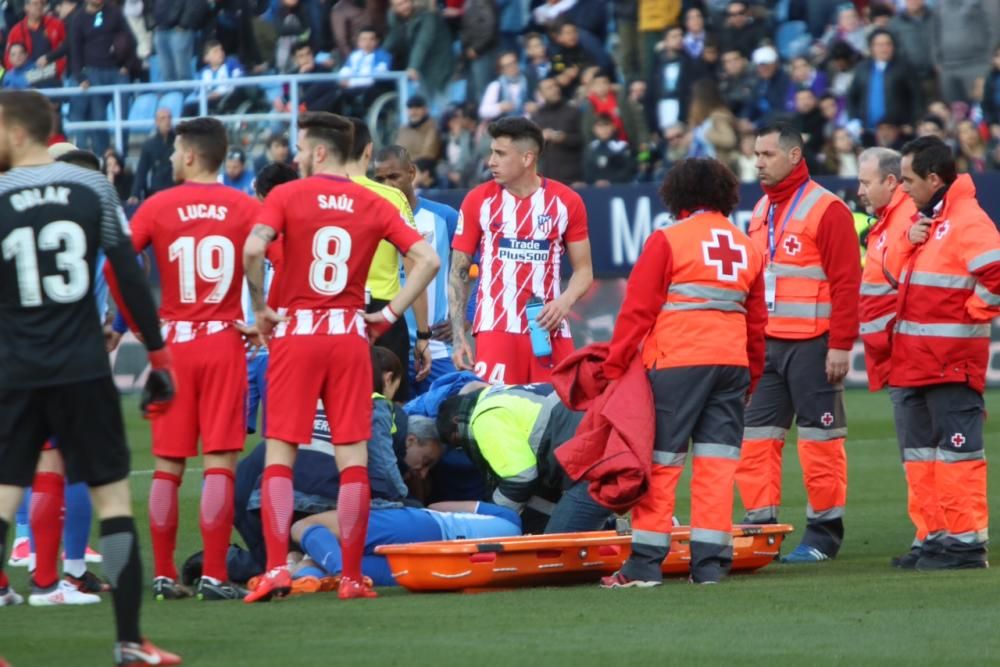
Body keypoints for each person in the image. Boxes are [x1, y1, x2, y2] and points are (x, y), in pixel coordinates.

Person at [0, 90, 179, 665]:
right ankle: (130, 642)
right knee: (114, 504)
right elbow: (128, 271)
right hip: (82, 368)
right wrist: (157, 356)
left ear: (16, 130)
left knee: (2, 501)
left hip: (16, 370)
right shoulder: (92, 187)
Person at [242, 111, 440, 602]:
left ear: (321, 151)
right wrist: (389, 313)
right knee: (353, 460)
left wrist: (263, 308)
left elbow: (252, 249)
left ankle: (274, 570)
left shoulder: (288, 194)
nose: (297, 155)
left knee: (281, 457)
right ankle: (351, 576)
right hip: (351, 335)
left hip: (299, 333)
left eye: (302, 148)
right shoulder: (371, 200)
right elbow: (428, 260)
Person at [597, 157, 766, 587]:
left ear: (678, 194)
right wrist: (753, 374)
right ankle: (710, 566)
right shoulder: (746, 245)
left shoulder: (668, 239)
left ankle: (644, 565)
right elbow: (757, 322)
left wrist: (614, 365)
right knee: (717, 462)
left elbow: (637, 310)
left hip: (677, 362)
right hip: (730, 364)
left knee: (662, 462)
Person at [127, 116, 261, 602]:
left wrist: (139, 327)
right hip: (224, 340)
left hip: (174, 345)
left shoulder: (156, 206)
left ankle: (163, 574)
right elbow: (278, 260)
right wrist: (263, 315)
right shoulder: (245, 206)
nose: (166, 160)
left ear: (188, 155)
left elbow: (117, 264)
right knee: (220, 462)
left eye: (172, 152)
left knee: (167, 465)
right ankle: (214, 575)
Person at [735, 123, 861, 564]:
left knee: (820, 442)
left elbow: (847, 283)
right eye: (755, 154)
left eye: (766, 154)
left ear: (793, 156)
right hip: (768, 344)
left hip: (813, 343)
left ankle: (824, 535)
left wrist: (841, 344)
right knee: (754, 440)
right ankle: (760, 530)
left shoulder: (827, 209)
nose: (757, 162)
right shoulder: (760, 211)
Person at [886, 136, 1000, 569]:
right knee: (923, 459)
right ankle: (936, 537)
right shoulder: (931, 219)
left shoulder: (967, 219)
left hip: (949, 362)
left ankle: (966, 545)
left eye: (909, 180)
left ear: (934, 179)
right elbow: (899, 280)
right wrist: (909, 242)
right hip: (918, 362)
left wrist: (975, 312)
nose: (903, 189)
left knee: (956, 457)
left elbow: (996, 272)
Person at [449, 116, 593, 385]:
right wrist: (459, 339)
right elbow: (458, 271)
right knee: (499, 415)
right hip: (497, 329)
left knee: (556, 416)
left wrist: (564, 302)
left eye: (500, 154)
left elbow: (584, 272)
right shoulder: (478, 200)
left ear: (527, 158)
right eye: (492, 152)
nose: (491, 161)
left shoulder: (566, 202)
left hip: (549, 330)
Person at [854, 146, 924, 567]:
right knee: (917, 453)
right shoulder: (889, 223)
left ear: (891, 182)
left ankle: (934, 533)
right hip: (900, 354)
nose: (860, 191)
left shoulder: (904, 222)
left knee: (920, 452)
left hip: (910, 353)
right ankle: (931, 532)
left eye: (866, 182)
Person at [436, 382, 611, 534]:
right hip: (601, 443)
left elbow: (520, 478)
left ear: (457, 420)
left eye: (458, 441)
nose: (463, 448)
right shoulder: (500, 394)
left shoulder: (482, 418)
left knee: (557, 550)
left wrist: (494, 517)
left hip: (592, 463)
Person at [344, 117, 431, 401]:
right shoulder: (390, 198)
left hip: (335, 311)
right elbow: (417, 264)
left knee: (336, 407)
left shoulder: (310, 195)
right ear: (368, 150)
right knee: (391, 409)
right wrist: (422, 334)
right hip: (384, 312)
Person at [374, 145, 459, 394]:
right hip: (387, 348)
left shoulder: (444, 217)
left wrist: (465, 319)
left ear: (411, 173)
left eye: (393, 176)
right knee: (392, 428)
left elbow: (482, 267)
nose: (387, 185)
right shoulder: (367, 218)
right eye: (379, 179)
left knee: (446, 424)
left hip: (437, 347)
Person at [289, 501, 521, 587]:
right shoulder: (507, 563)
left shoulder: (510, 519)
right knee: (333, 564)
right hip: (437, 566)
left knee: (304, 525)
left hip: (426, 525)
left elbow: (437, 506)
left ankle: (335, 571)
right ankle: (306, 572)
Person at [243, 161, 299, 436]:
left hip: (276, 338)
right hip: (254, 337)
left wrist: (263, 316)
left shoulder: (276, 236)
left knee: (279, 435)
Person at [530, 77, 584, 185]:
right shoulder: (537, 116)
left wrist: (564, 138)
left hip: (572, 176)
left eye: (556, 86)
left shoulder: (573, 111)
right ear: (541, 93)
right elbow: (530, 148)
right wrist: (540, 138)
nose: (555, 89)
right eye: (549, 88)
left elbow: (584, 139)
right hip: (546, 177)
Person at [3, 0, 66, 88]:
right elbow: (8, 58)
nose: (39, 6)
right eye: (35, 4)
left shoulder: (57, 25)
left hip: (51, 75)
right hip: (24, 79)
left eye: (41, 3)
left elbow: (65, 51)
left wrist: (57, 69)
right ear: (26, 7)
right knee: (9, 80)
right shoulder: (16, 31)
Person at [129, 108, 175, 205]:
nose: (167, 121)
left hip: (176, 190)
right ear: (156, 122)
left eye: (169, 118)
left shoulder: (180, 141)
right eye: (163, 118)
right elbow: (141, 171)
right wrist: (135, 194)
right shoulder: (149, 145)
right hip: (157, 192)